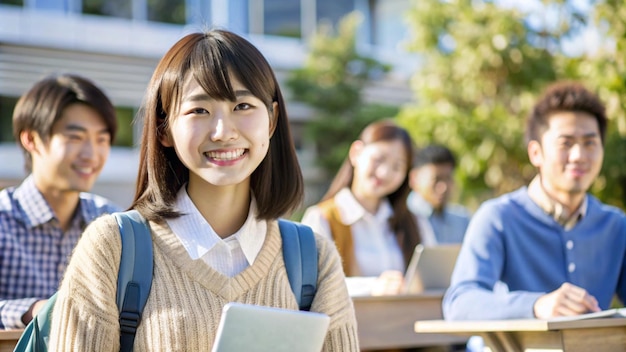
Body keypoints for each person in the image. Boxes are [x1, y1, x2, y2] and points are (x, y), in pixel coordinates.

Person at [48, 30, 359, 351]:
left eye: (242, 105)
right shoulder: (112, 246)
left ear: (272, 119)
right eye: (199, 110)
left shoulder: (315, 258)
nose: (223, 132)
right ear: (164, 127)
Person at [443, 81, 626, 321]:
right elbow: (459, 303)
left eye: (590, 143)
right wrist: (536, 306)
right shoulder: (497, 217)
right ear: (535, 153)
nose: (579, 156)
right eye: (566, 143)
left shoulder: (616, 225)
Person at [0, 74, 120, 330]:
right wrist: (34, 311)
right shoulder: (2, 220)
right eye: (75, 138)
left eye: (102, 139)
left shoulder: (114, 224)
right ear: (31, 139)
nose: (91, 155)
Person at [302, 120, 436, 296]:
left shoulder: (414, 222)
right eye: (379, 160)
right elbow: (310, 287)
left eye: (397, 166)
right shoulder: (322, 218)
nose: (384, 173)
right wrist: (373, 287)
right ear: (356, 153)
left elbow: (434, 277)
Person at [408, 144, 471, 244]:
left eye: (448, 178)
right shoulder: (401, 218)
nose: (443, 187)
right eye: (436, 179)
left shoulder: (462, 220)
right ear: (414, 178)